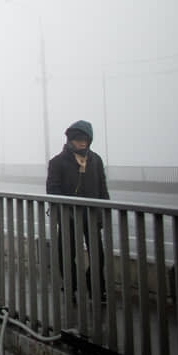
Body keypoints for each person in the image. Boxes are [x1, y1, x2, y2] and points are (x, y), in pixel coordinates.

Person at [46, 120, 109, 301]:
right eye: (79, 139)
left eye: (86, 139)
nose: (83, 142)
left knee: (98, 256)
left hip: (92, 216)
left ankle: (97, 287)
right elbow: (53, 189)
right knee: (65, 255)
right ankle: (70, 285)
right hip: (69, 217)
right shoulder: (58, 162)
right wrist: (61, 211)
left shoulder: (95, 160)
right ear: (70, 140)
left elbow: (102, 188)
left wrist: (103, 211)